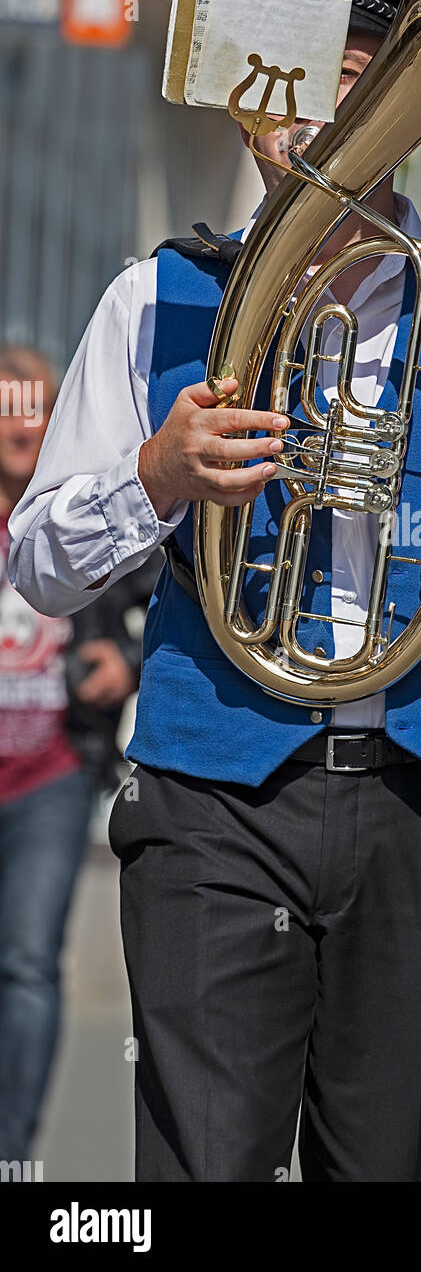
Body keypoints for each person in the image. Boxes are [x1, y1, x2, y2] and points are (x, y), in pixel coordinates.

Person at [8, 0, 421, 1183]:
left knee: (409, 1161)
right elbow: (35, 562)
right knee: (201, 1162)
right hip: (215, 796)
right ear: (245, 101)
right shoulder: (152, 299)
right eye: (285, 80)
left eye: (355, 79)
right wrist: (154, 480)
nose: (316, 117)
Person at [0, 345, 148, 1163]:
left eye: (35, 406)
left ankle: (12, 1154)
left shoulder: (80, 521)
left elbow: (162, 597)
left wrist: (125, 661)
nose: (21, 423)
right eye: (6, 405)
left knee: (25, 964)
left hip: (52, 777)